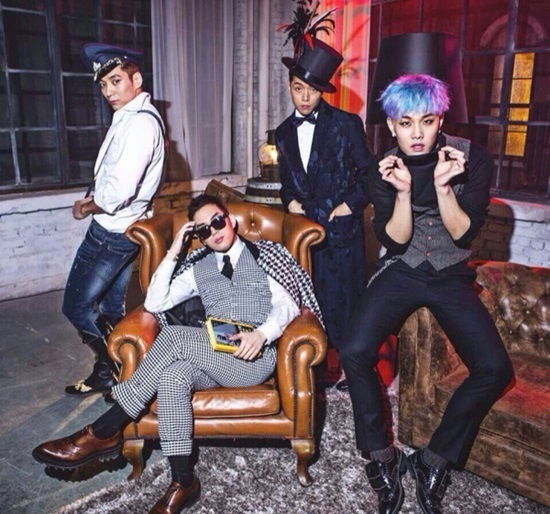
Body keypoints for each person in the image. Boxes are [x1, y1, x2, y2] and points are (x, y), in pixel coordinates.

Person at [33, 194, 322, 514]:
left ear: (231, 220)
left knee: (173, 337)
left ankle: (105, 429)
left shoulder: (266, 255)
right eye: (204, 230)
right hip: (214, 355)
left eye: (217, 222)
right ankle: (183, 481)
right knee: (172, 377)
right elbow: (155, 303)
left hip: (254, 358)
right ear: (199, 236)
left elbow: (288, 305)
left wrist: (262, 334)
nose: (214, 231)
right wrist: (174, 250)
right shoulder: (199, 268)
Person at [339, 74, 514, 513]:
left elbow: (462, 234)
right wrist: (402, 194)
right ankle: (382, 457)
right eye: (405, 123)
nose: (416, 133)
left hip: (450, 272)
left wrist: (442, 187)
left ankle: (432, 459)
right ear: (391, 125)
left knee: (494, 368)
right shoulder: (383, 169)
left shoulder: (472, 158)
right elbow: (395, 241)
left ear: (441, 120)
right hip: (403, 267)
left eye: (427, 120)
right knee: (354, 350)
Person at [62, 43, 166, 400]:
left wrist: (87, 207)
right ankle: (111, 374)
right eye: (104, 84)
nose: (109, 91)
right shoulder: (134, 115)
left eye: (116, 81)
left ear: (136, 80)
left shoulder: (139, 124)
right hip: (126, 228)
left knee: (75, 306)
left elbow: (118, 193)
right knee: (109, 308)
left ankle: (123, 370)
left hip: (110, 231)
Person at [276, 37, 374, 389]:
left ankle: (352, 369)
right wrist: (290, 203)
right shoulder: (283, 133)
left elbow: (370, 175)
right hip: (305, 235)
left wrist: (348, 206)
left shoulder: (346, 124)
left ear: (323, 92)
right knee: (309, 302)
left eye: (313, 90)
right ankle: (316, 367)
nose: (305, 97)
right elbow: (287, 183)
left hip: (341, 233)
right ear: (289, 86)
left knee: (346, 305)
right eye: (298, 88)